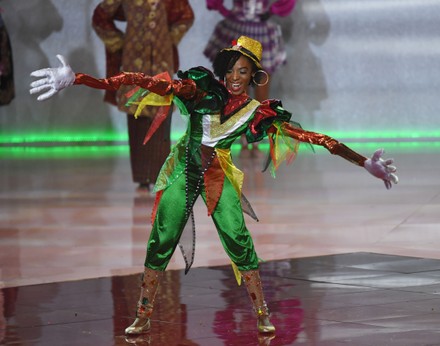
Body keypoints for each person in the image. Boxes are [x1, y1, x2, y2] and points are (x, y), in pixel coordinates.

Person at [29, 36, 398, 335]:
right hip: (184, 171)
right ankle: (143, 315)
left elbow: (314, 138)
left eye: (244, 71)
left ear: (254, 76)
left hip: (216, 176)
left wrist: (364, 162)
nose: (235, 76)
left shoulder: (256, 113)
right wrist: (80, 79)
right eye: (231, 69)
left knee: (238, 239)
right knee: (161, 238)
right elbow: (143, 81)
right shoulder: (200, 89)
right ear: (222, 69)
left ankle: (261, 312)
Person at [92, 0, 194, 191]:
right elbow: (100, 16)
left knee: (161, 112)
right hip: (134, 61)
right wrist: (118, 42)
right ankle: (141, 177)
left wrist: (170, 37)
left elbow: (186, 16)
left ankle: (160, 174)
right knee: (137, 112)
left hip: (162, 61)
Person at [204, 0, 296, 151]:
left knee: (261, 87)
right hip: (238, 28)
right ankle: (243, 135)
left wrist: (273, 10)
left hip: (261, 29)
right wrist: (223, 10)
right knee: (238, 88)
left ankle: (255, 133)